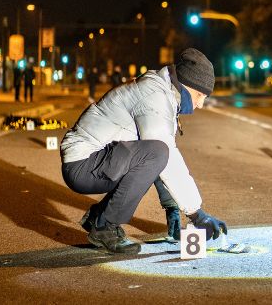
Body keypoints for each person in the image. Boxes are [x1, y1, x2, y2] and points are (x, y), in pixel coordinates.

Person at [60, 48, 227, 254]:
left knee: (155, 151)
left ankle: (99, 218)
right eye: (200, 95)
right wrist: (196, 213)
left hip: (93, 159)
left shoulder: (162, 93)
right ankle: (105, 227)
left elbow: (157, 157)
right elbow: (163, 155)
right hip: (83, 165)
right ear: (185, 86)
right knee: (157, 151)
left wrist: (172, 206)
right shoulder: (154, 97)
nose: (200, 104)